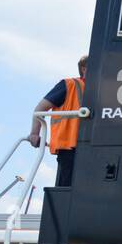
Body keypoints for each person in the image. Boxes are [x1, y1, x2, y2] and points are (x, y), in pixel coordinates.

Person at [29, 54, 88, 187]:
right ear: (84, 69)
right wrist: (34, 133)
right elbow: (40, 108)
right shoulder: (69, 85)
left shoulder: (101, 89)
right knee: (66, 188)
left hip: (89, 145)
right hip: (68, 145)